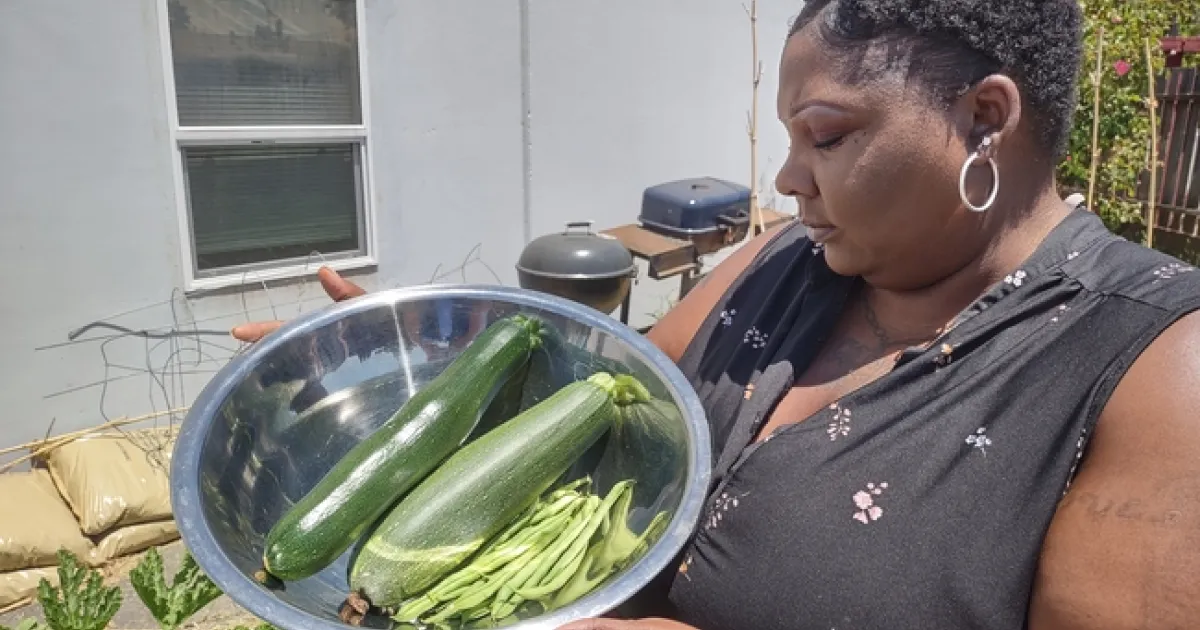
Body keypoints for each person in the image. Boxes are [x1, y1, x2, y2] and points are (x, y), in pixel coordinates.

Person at [234, 1, 1200, 627]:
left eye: (826, 136)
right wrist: (419, 363)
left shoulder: (1153, 366)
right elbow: (607, 394)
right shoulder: (785, 260)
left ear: (985, 118)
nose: (786, 179)